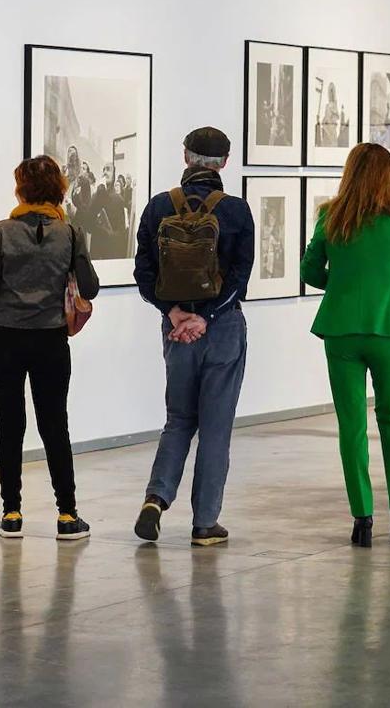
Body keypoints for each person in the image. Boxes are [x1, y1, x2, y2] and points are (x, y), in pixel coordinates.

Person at [301, 142, 390, 547]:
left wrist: (344, 285)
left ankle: (362, 519)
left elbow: (310, 269)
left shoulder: (332, 216)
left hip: (342, 330)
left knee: (352, 426)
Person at [0, 155, 99, 541]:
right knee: (55, 426)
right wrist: (75, 250)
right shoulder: (70, 234)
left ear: (21, 189)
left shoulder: (1, 232)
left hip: (4, 338)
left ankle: (12, 513)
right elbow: (92, 287)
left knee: (9, 426)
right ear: (59, 190)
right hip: (50, 340)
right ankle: (67, 515)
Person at [132, 127, 254, 546]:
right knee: (215, 427)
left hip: (175, 330)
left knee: (179, 419)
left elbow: (143, 273)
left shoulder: (158, 206)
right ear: (225, 161)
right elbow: (240, 277)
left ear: (185, 157)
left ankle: (156, 498)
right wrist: (208, 316)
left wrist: (175, 314)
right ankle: (205, 524)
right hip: (221, 330)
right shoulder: (236, 211)